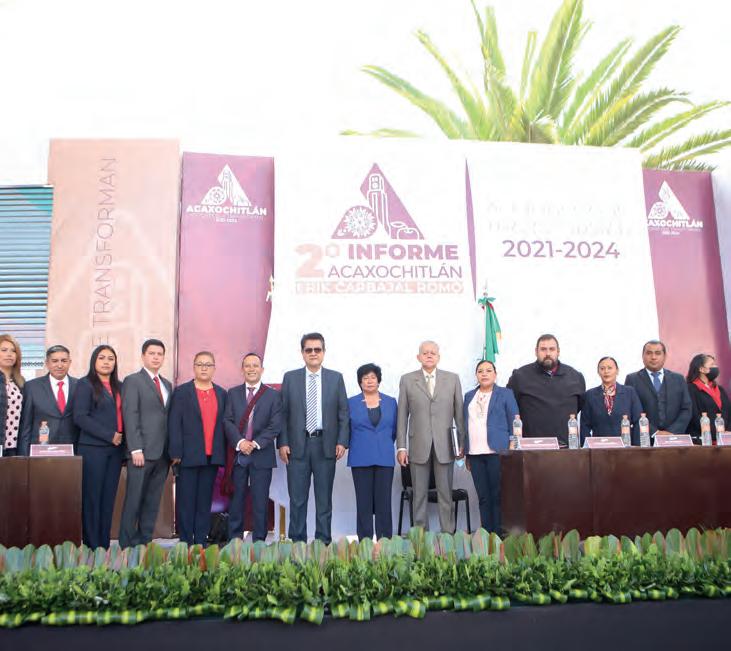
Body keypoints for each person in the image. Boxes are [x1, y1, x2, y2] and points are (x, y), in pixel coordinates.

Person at [278, 332, 349, 544]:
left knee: (324, 500)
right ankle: (297, 544)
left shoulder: (336, 378)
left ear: (324, 352)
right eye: (308, 350)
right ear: (302, 353)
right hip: (296, 447)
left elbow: (343, 413)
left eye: (317, 349)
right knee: (297, 500)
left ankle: (323, 543)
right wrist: (282, 442)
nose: (313, 353)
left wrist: (342, 441)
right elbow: (282, 414)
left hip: (325, 446)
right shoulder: (290, 378)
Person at [396, 340, 465, 533]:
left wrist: (461, 443)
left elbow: (459, 414)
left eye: (433, 352)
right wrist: (401, 447)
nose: (429, 355)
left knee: (446, 494)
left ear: (438, 357)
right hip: (418, 444)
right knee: (419, 495)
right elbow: (402, 415)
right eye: (425, 352)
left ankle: (448, 536)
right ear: (418, 357)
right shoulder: (407, 380)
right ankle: (420, 537)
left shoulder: (452, 379)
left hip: (446, 445)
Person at [119, 339, 173, 548]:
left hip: (162, 454)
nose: (156, 357)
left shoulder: (167, 384)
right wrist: (135, 448)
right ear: (143, 356)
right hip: (140, 453)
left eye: (160, 354)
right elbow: (130, 414)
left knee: (152, 501)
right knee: (134, 500)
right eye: (152, 353)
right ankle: (126, 545)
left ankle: (144, 543)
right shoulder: (133, 381)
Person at [168, 351, 227, 545]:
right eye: (200, 364)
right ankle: (186, 541)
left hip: (212, 457)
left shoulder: (221, 393)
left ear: (214, 368)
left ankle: (201, 540)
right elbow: (174, 422)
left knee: (204, 502)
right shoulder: (182, 392)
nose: (204, 368)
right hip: (188, 456)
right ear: (193, 367)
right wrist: (175, 452)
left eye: (208, 365)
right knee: (186, 501)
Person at [224, 352, 281, 542]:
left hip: (261, 455)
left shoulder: (273, 395)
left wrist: (255, 444)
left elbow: (275, 425)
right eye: (247, 366)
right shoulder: (233, 393)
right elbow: (227, 421)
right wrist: (241, 442)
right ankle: (235, 541)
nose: (251, 369)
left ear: (262, 369)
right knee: (236, 500)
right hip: (238, 455)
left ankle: (259, 543)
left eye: (255, 365)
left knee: (260, 501)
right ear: (242, 370)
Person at [73, 345, 124, 549]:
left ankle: (103, 546)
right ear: (94, 360)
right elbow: (80, 417)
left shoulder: (119, 386)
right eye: (102, 358)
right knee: (92, 499)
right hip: (93, 449)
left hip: (115, 452)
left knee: (107, 500)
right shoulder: (85, 385)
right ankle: (92, 546)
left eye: (111, 358)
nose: (106, 362)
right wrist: (109, 435)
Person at [463, 359, 518, 535]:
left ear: (495, 375)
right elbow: (465, 424)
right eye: (480, 371)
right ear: (476, 375)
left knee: (498, 496)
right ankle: (486, 536)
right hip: (475, 454)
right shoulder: (469, 396)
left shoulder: (505, 394)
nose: (484, 374)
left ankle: (499, 537)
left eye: (488, 370)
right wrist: (466, 452)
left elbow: (515, 422)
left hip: (498, 453)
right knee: (483, 497)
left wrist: (512, 448)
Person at [507, 334, 586, 447]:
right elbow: (510, 408)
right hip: (530, 448)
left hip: (566, 449)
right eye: (543, 349)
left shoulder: (575, 377)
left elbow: (580, 406)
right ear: (536, 352)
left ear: (558, 352)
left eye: (552, 349)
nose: (548, 353)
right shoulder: (519, 376)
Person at [347, 363, 397, 540]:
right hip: (360, 457)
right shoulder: (351, 403)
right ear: (360, 382)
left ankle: (385, 542)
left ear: (379, 380)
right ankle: (365, 541)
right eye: (365, 378)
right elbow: (346, 429)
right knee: (364, 502)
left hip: (384, 457)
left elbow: (394, 430)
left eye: (373, 377)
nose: (369, 381)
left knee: (384, 502)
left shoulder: (391, 402)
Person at [18, 345, 79, 455]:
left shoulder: (80, 386)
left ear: (70, 362)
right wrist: (24, 456)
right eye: (54, 361)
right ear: (47, 363)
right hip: (41, 450)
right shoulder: (32, 387)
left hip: (73, 450)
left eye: (64, 361)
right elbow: (26, 425)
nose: (59, 365)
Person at [624, 340, 691, 440]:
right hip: (644, 439)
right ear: (642, 356)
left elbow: (686, 409)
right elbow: (631, 410)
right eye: (649, 353)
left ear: (665, 356)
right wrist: (654, 432)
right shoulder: (632, 379)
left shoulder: (678, 379)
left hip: (674, 439)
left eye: (658, 353)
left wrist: (672, 432)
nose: (653, 357)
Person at [580, 356, 643, 445]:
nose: (606, 371)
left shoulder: (629, 392)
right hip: (599, 447)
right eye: (602, 368)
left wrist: (637, 447)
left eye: (610, 368)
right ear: (598, 372)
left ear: (617, 371)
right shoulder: (590, 395)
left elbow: (638, 422)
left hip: (625, 447)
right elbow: (584, 426)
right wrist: (587, 448)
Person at [686, 354, 731, 444]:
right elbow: (694, 416)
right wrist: (715, 433)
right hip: (703, 440)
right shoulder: (690, 389)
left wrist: (727, 432)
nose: (716, 367)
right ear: (701, 369)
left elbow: (729, 413)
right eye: (712, 365)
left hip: (725, 440)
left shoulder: (720, 389)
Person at [0, 334, 25, 456]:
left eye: (13, 351)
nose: (9, 354)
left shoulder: (21, 382)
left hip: (15, 446)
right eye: (4, 350)